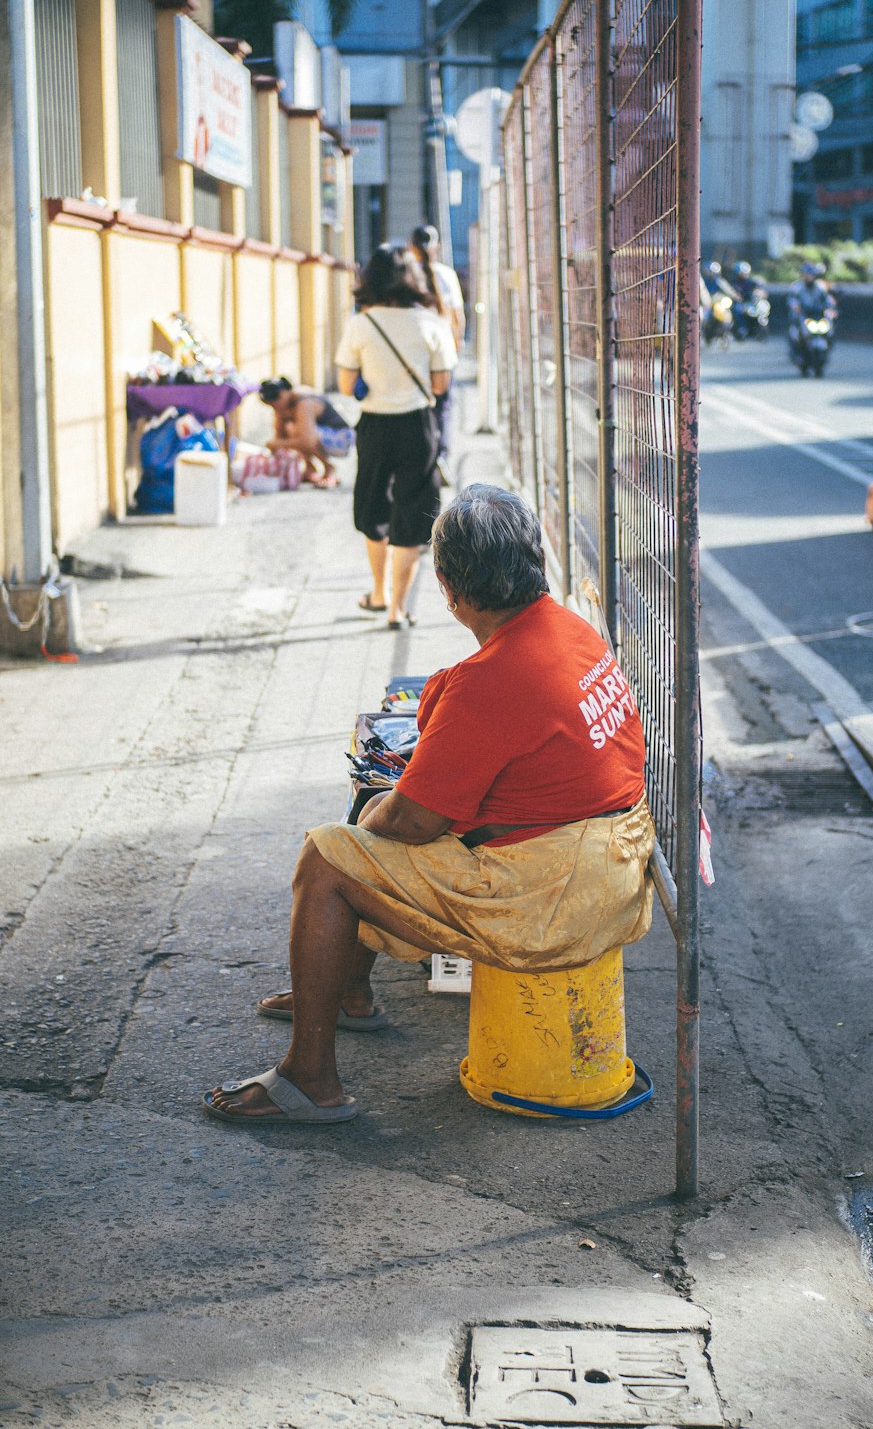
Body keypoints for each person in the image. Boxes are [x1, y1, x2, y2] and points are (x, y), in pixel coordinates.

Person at [203, 485, 656, 1125]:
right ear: (533, 562)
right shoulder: (571, 630)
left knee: (329, 859)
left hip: (556, 897)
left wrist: (371, 813)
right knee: (366, 831)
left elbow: (413, 820)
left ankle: (308, 1079)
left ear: (448, 588)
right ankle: (349, 991)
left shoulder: (489, 681)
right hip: (611, 868)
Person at [335, 244, 457, 629]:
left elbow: (344, 384)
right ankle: (398, 609)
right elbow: (440, 386)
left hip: (374, 425)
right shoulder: (431, 323)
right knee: (412, 511)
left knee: (373, 509)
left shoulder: (360, 324)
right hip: (417, 427)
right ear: (413, 279)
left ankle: (377, 591)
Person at [409, 224, 465, 460]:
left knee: (418, 402)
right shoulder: (446, 275)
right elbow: (457, 316)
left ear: (411, 247)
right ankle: (440, 455)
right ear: (436, 247)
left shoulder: (407, 275)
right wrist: (456, 344)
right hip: (443, 351)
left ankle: (421, 452)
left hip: (415, 350)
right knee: (443, 404)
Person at [258, 378, 347, 486]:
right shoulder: (284, 404)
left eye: (274, 404)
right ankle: (310, 468)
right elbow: (280, 434)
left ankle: (329, 467)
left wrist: (276, 444)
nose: (274, 408)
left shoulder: (303, 401)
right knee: (291, 430)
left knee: (296, 431)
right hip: (320, 434)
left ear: (283, 394)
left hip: (341, 438)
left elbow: (306, 440)